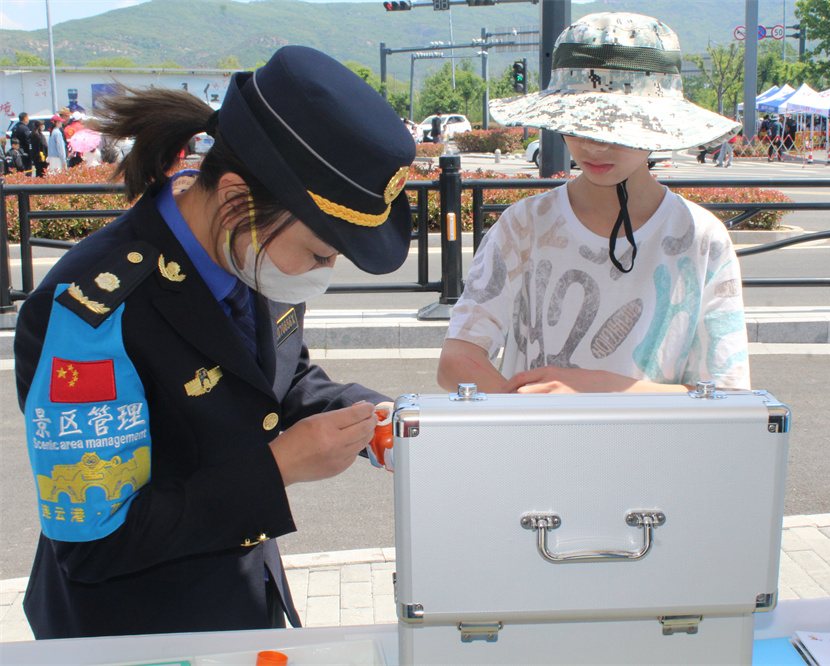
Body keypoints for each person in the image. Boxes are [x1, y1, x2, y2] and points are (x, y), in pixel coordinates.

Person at [14, 45, 415, 639]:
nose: (322, 273)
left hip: (243, 608)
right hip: (135, 634)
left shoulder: (252, 249)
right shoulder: (95, 310)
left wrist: (376, 417)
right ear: (234, 199)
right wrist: (278, 467)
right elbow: (94, 543)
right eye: (319, 253)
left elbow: (280, 380)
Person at [438, 12, 749, 395]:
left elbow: (729, 395)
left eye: (618, 126)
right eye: (579, 123)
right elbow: (457, 360)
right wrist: (532, 412)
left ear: (659, 126)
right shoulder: (524, 224)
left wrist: (596, 390)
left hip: (646, 441)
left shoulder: (701, 237)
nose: (594, 144)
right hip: (540, 435)